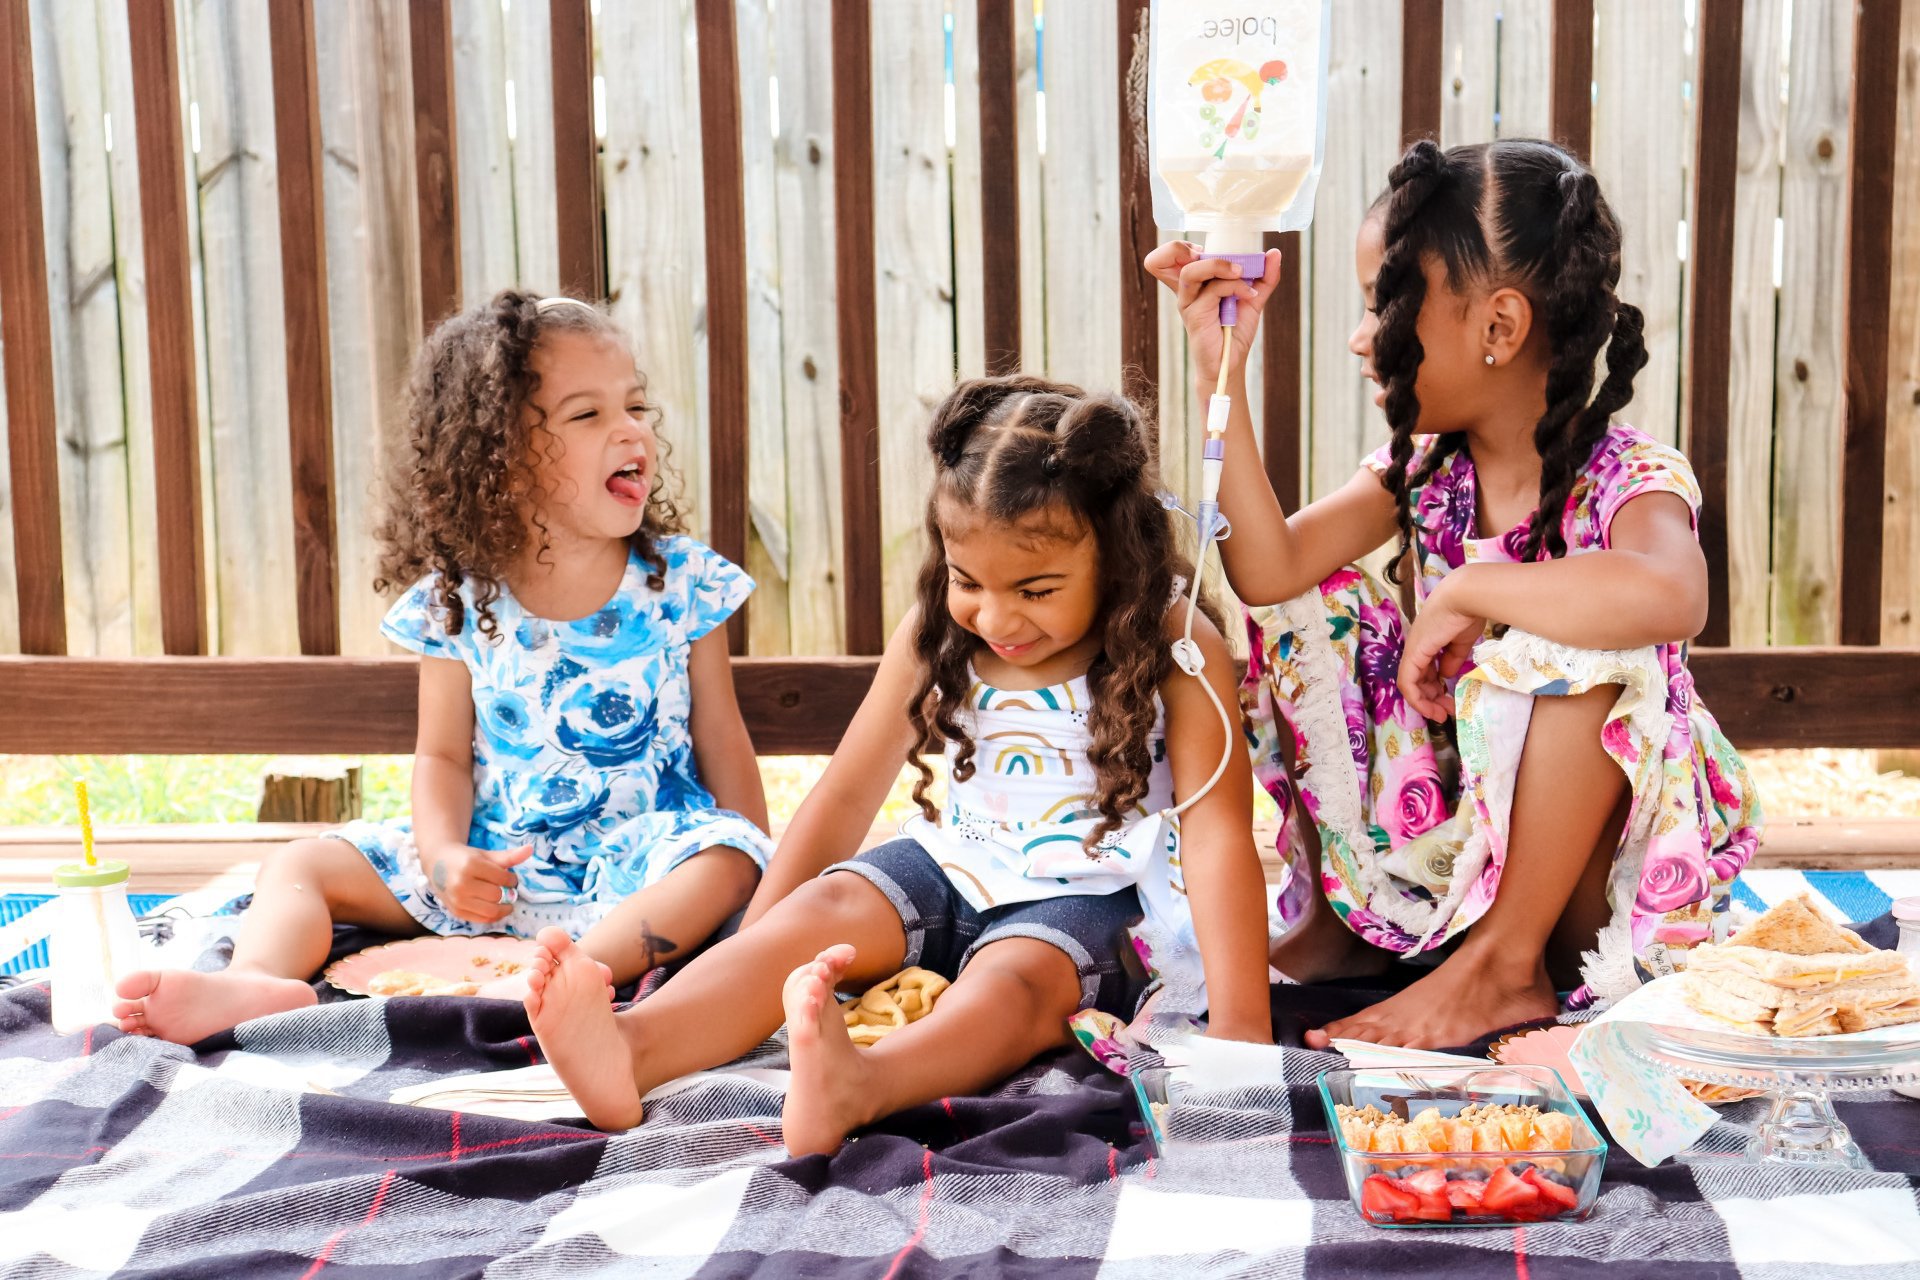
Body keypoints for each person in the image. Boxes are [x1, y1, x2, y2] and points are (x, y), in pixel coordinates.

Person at [520, 375, 1273, 1152]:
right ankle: (632, 1046)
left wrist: (1243, 1024)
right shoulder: (937, 634)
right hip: (956, 864)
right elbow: (845, 797)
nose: (997, 616)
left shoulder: (1176, 649)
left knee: (1010, 988)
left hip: (1093, 897)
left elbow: (1219, 836)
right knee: (822, 910)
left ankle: (862, 1085)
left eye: (1037, 589)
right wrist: (752, 947)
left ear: (1117, 558)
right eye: (968, 581)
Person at [1145, 138, 1763, 1049]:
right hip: (1448, 861)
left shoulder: (1631, 478)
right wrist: (1220, 371)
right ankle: (1354, 927)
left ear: (1499, 328)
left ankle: (1506, 968)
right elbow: (1269, 570)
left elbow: (1672, 595)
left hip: (1596, 892)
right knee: (1318, 607)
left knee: (1579, 635)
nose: (1361, 338)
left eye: (1382, 310)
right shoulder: (1423, 472)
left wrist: (1482, 587)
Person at [114, 291, 771, 1044]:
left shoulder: (680, 582)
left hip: (640, 863)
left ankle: (567, 975)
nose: (631, 431)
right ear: (502, 461)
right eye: (588, 416)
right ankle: (254, 983)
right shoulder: (460, 601)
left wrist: (757, 868)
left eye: (636, 407)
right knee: (304, 861)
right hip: (496, 867)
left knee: (723, 860)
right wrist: (447, 856)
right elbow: (443, 755)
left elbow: (722, 735)